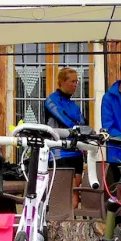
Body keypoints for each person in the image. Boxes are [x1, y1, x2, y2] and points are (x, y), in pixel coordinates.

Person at [44, 67, 86, 205]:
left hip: (76, 152)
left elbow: (82, 123)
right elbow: (64, 120)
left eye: (77, 81)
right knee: (64, 195)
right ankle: (62, 224)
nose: (76, 85)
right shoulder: (51, 99)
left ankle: (70, 223)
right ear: (62, 82)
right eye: (72, 81)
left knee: (75, 192)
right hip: (59, 153)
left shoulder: (73, 104)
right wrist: (79, 129)